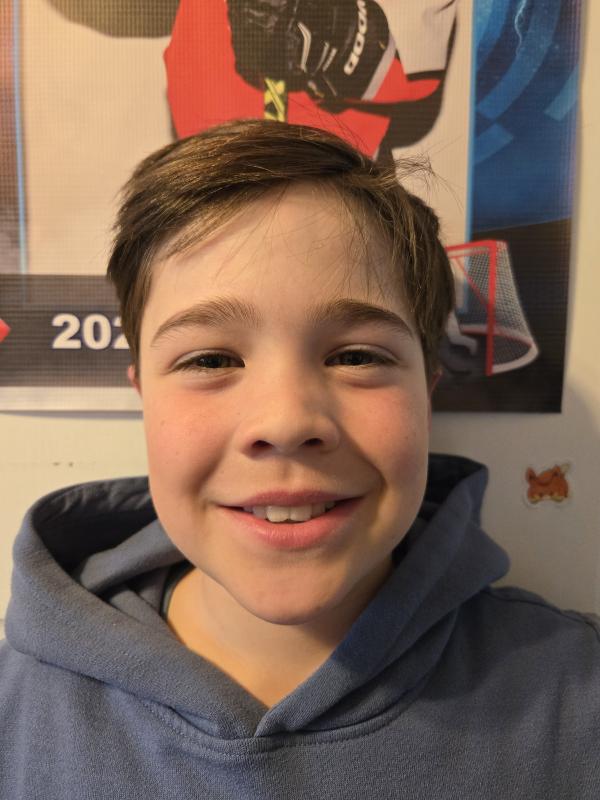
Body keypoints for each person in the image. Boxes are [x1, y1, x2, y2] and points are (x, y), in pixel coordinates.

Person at [0, 119, 598, 798]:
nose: (285, 423)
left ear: (427, 392)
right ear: (145, 398)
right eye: (211, 360)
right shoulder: (16, 716)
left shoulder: (577, 698)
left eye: (357, 356)